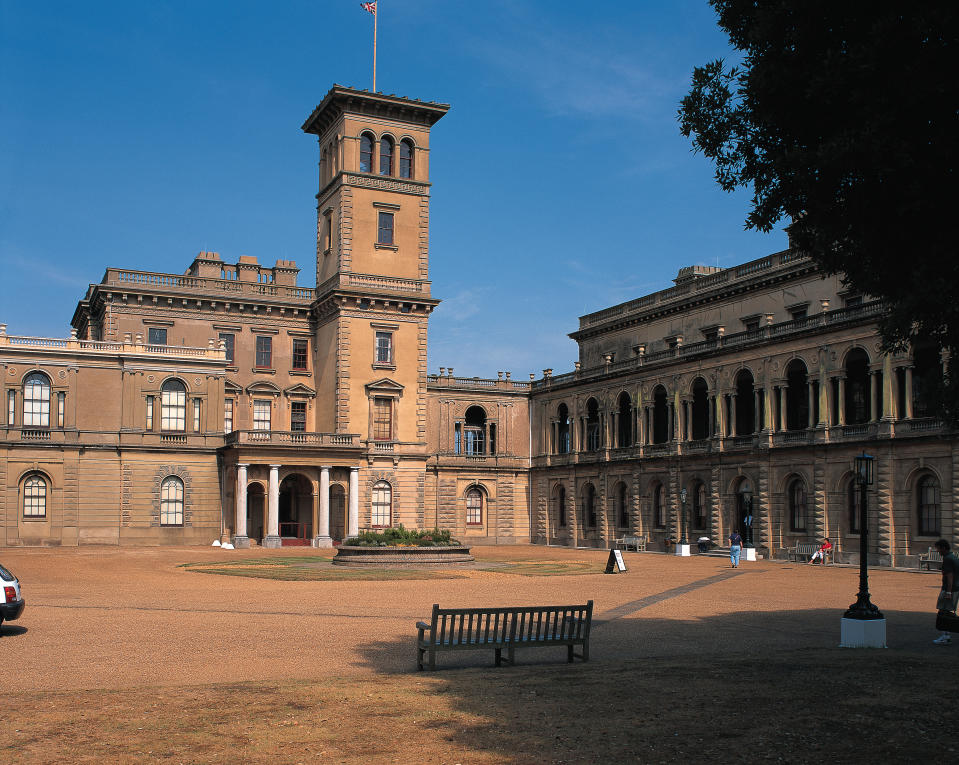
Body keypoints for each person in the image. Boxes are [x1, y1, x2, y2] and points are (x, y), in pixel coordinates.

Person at [933, 539, 959, 645]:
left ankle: (946, 636)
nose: (938, 551)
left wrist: (948, 592)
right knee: (947, 612)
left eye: (938, 548)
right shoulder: (954, 557)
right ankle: (946, 635)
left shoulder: (948, 559)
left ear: (943, 548)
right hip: (955, 588)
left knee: (944, 612)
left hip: (950, 589)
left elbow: (950, 576)